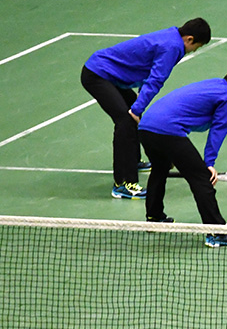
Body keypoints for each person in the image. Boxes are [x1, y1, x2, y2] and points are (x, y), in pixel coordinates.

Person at [81, 18, 211, 199]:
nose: (194, 51)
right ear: (189, 39)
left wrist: (138, 107)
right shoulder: (172, 47)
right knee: (125, 121)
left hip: (113, 76)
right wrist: (136, 110)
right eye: (196, 47)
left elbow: (148, 75)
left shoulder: (173, 38)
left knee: (131, 114)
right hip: (98, 74)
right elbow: (156, 80)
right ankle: (123, 183)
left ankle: (133, 162)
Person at [138, 70, 227, 248]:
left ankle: (155, 218)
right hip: (169, 130)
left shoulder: (212, 84)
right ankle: (217, 232)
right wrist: (209, 163)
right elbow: (219, 128)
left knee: (160, 169)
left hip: (146, 127)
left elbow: (200, 121)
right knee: (201, 179)